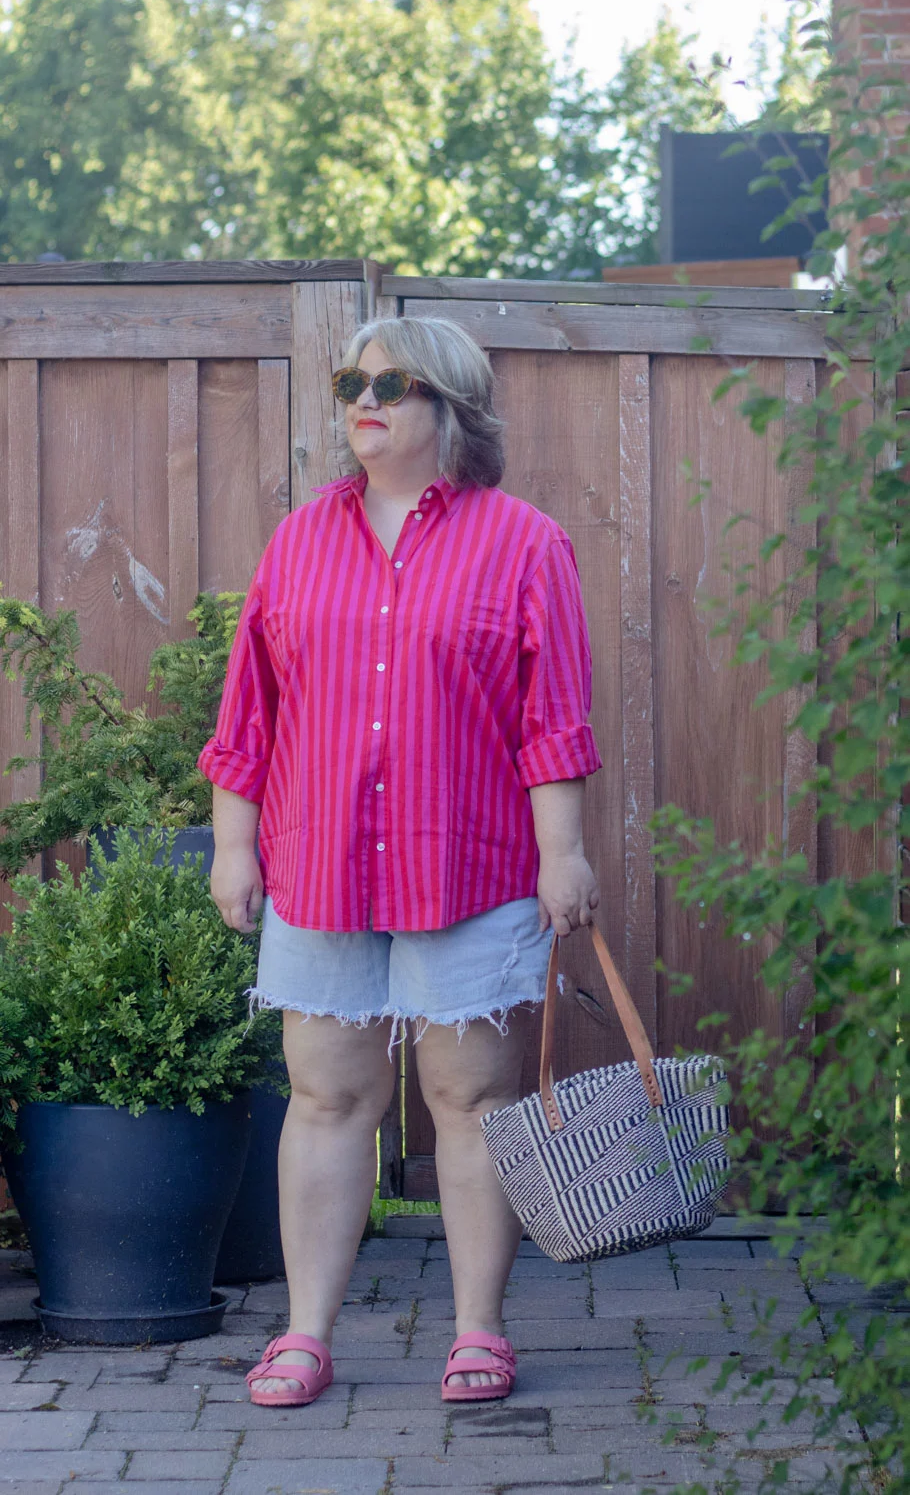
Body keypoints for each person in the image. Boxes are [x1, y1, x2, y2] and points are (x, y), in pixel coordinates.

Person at [197, 315, 603, 1407]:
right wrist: (234, 846)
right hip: (320, 868)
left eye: (393, 383)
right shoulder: (298, 543)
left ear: (452, 408)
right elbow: (250, 717)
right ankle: (305, 1334)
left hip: (469, 867)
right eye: (351, 382)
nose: (363, 398)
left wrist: (561, 855)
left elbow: (551, 722)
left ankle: (478, 1333)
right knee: (327, 1096)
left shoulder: (523, 542)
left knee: (470, 1097)